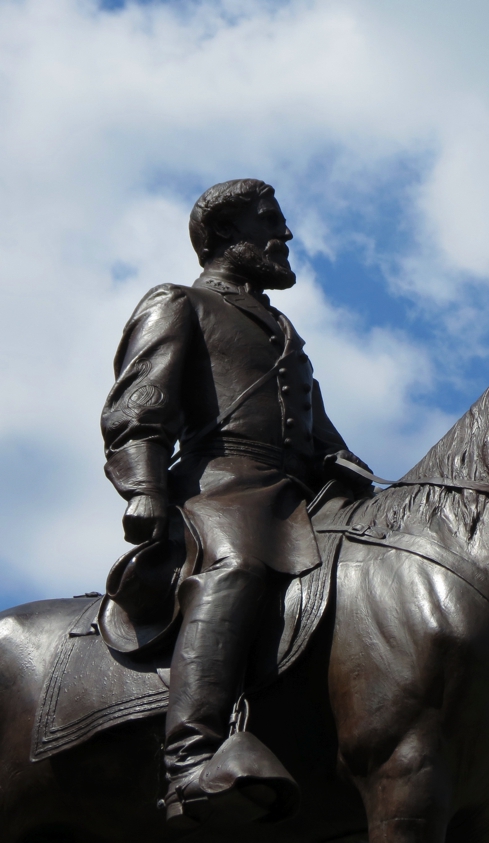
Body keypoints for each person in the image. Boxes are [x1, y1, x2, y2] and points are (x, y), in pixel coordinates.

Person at [101, 179, 372, 827]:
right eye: (270, 222)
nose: (286, 236)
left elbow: (318, 436)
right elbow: (137, 412)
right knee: (239, 566)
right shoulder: (182, 303)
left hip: (298, 494)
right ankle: (191, 761)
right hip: (220, 489)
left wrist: (360, 477)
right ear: (226, 235)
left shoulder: (283, 330)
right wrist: (143, 487)